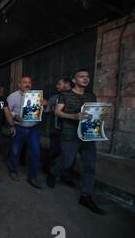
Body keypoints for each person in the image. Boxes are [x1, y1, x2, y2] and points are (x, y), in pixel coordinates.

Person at [47, 69, 105, 215]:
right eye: (81, 76)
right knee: (67, 162)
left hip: (87, 135)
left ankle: (86, 196)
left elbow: (93, 113)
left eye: (87, 76)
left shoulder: (91, 95)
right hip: (69, 135)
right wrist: (73, 116)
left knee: (90, 166)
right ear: (74, 80)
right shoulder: (64, 95)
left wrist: (100, 119)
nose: (85, 79)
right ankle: (53, 172)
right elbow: (57, 112)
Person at [7, 76, 47, 189]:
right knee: (15, 152)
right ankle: (13, 171)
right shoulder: (13, 97)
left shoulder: (37, 96)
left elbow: (44, 111)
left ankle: (32, 177)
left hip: (33, 129)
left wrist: (45, 105)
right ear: (19, 84)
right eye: (24, 82)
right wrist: (15, 117)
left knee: (35, 153)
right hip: (19, 128)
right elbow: (7, 111)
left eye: (29, 82)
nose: (27, 84)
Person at [43, 77, 73, 184]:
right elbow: (46, 111)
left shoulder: (75, 97)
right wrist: (46, 105)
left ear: (67, 84)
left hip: (71, 132)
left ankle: (66, 177)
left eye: (59, 84)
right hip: (56, 130)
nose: (57, 86)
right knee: (54, 151)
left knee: (69, 155)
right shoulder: (54, 98)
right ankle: (48, 170)